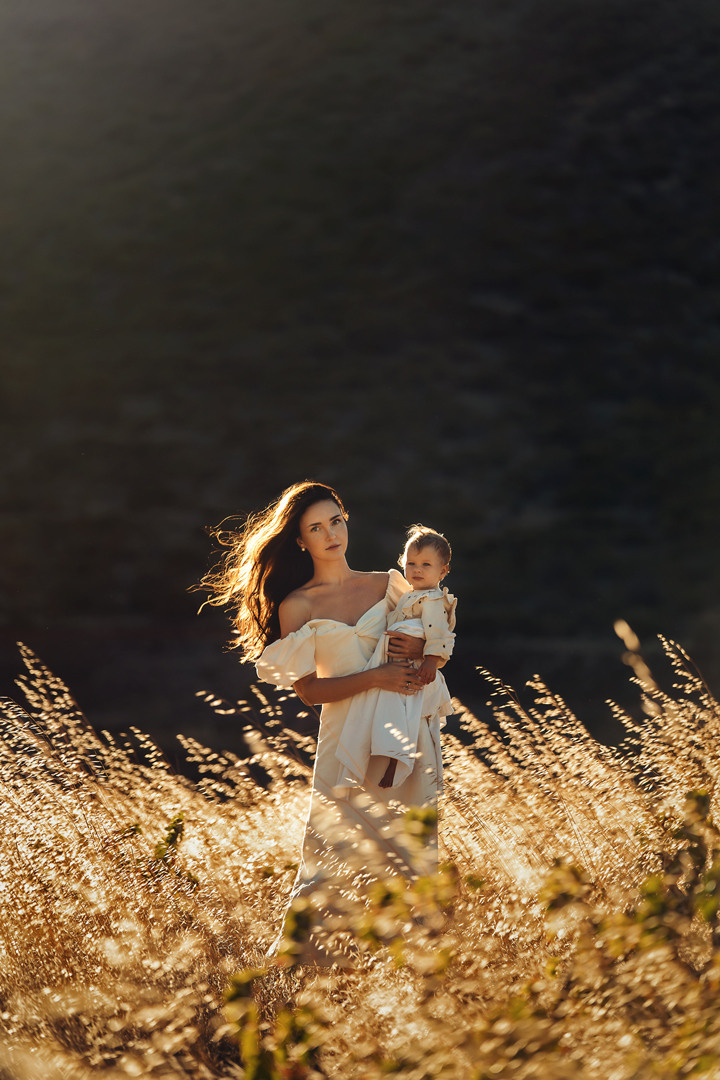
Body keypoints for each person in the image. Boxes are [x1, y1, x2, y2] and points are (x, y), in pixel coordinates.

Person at [199, 480, 436, 964]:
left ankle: (404, 977)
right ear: (300, 541)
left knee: (409, 860)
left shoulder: (389, 584)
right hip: (344, 742)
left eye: (336, 520)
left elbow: (431, 649)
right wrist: (377, 676)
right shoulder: (298, 606)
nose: (331, 534)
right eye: (316, 528)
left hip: (402, 737)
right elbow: (308, 692)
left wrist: (422, 658)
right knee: (327, 865)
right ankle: (295, 976)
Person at [334, 525, 456, 797]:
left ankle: (395, 763)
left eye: (426, 564)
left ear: (443, 571)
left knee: (404, 714)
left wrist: (430, 661)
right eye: (411, 563)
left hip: (415, 667)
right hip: (398, 662)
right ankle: (384, 758)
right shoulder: (408, 595)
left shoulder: (433, 599)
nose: (417, 569)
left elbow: (439, 634)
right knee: (394, 712)